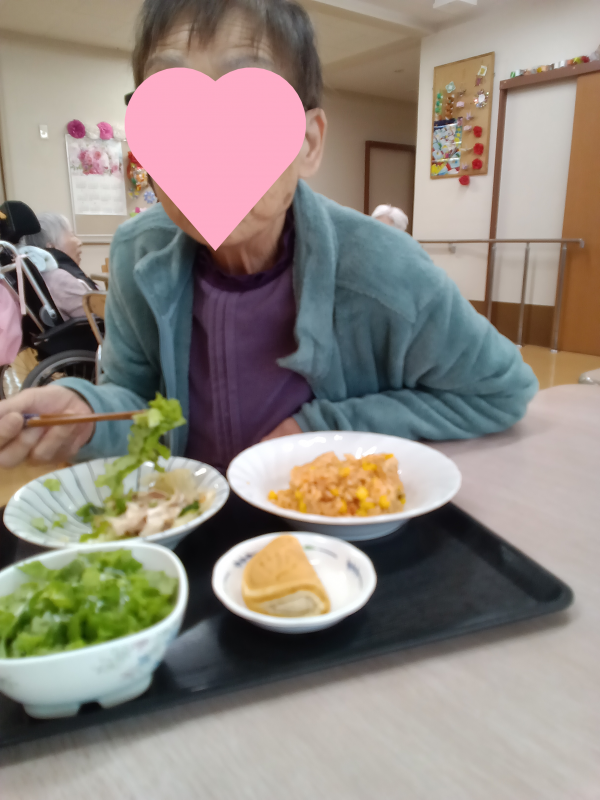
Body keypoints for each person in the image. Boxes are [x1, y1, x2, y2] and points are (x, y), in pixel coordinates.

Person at [0, 0, 537, 471]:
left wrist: (325, 429)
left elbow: (500, 390)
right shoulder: (138, 252)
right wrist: (88, 413)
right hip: (195, 529)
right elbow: (135, 401)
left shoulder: (384, 268)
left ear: (308, 143)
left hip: (333, 539)